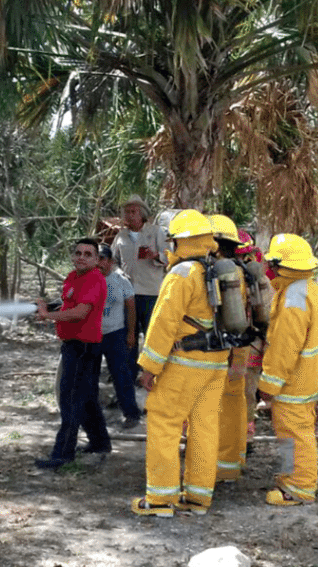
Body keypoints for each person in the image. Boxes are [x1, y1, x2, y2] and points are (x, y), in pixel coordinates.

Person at [131, 210, 228, 517]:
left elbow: (163, 323)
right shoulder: (222, 269)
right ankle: (198, 498)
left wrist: (149, 368)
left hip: (185, 362)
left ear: (180, 240)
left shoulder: (182, 273)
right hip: (217, 363)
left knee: (164, 423)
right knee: (205, 427)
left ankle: (159, 500)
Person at [257, 234, 318, 506]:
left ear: (279, 265)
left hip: (293, 383)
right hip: (309, 378)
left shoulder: (292, 298)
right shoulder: (310, 288)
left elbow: (284, 348)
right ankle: (292, 480)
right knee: (299, 434)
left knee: (294, 436)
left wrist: (269, 385)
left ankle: (299, 488)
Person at [34, 239, 111, 470]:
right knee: (86, 399)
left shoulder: (94, 279)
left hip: (82, 348)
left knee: (70, 401)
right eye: (78, 253)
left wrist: (47, 316)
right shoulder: (74, 277)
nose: (81, 257)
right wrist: (46, 306)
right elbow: (68, 303)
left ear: (97, 260)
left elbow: (79, 312)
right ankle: (100, 443)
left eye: (88, 254)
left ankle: (62, 454)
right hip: (75, 345)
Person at [209, 215, 250, 483]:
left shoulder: (218, 271)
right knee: (236, 402)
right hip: (242, 347)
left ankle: (221, 467)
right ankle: (235, 459)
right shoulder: (242, 270)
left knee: (220, 405)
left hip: (225, 349)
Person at [112, 195, 169, 380]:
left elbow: (170, 256)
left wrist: (155, 255)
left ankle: (152, 372)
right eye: (126, 212)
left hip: (151, 292)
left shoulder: (156, 232)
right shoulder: (121, 236)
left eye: (133, 212)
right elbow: (113, 261)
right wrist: (118, 275)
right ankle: (129, 373)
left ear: (142, 214)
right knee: (129, 335)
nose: (129, 215)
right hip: (128, 294)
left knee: (151, 334)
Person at [97, 244, 143, 429]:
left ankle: (131, 414)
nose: (98, 262)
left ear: (111, 261)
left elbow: (131, 309)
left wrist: (131, 333)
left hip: (116, 333)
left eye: (102, 258)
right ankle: (93, 415)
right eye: (96, 258)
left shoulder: (120, 281)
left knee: (121, 375)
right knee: (90, 376)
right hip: (93, 335)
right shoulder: (87, 280)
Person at [235, 229, 267, 453]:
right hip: (252, 344)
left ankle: (243, 438)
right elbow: (268, 317)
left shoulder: (215, 274)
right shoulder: (259, 278)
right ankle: (245, 439)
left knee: (239, 393)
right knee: (246, 394)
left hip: (233, 346)